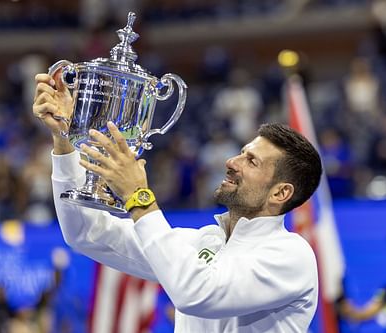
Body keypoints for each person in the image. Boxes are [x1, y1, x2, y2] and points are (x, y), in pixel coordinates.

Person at [33, 72, 322, 332]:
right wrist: (63, 139)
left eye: (252, 161)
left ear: (280, 193)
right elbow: (84, 232)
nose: (232, 162)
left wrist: (139, 197)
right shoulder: (202, 242)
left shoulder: (290, 255)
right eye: (241, 152)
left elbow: (196, 293)